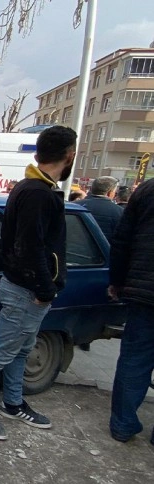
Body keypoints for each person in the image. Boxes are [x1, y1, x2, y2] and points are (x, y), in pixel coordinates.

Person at [0, 125, 77, 440]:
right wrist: (44, 289)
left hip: (28, 289)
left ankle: (12, 403)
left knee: (22, 348)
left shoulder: (33, 187)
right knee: (1, 349)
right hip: (27, 290)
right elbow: (30, 247)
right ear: (70, 155)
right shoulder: (37, 193)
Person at [107, 178, 154, 445]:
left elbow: (122, 241)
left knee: (134, 361)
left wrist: (117, 281)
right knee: (134, 360)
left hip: (143, 293)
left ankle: (123, 425)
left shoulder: (147, 190)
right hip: (143, 291)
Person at [74, 176, 123, 244]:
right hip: (103, 252)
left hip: (72, 249)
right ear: (110, 193)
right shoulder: (120, 212)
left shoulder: (73, 206)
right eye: (115, 192)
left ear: (91, 189)